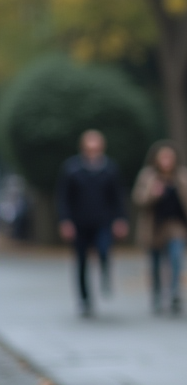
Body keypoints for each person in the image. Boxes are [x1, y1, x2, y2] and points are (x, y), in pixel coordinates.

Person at [55, 130, 129, 317]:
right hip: (79, 222)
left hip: (102, 220)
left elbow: (117, 198)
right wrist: (65, 221)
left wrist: (120, 219)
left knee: (104, 249)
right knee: (81, 261)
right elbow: (64, 198)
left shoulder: (109, 168)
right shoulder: (72, 169)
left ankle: (105, 276)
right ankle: (85, 299)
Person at [132, 140, 187, 314]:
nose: (166, 160)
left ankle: (175, 293)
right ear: (156, 159)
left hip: (176, 226)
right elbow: (138, 199)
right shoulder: (148, 176)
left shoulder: (184, 177)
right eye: (163, 157)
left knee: (176, 259)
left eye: (169, 157)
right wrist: (152, 194)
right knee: (156, 264)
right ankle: (157, 296)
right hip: (155, 227)